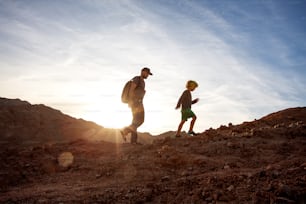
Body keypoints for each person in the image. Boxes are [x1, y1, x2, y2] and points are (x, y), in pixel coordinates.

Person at [120, 67, 153, 144]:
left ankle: (131, 138)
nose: (148, 75)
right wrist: (130, 101)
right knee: (138, 120)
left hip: (139, 102)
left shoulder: (143, 82)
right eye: (147, 73)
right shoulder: (137, 79)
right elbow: (131, 89)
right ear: (143, 72)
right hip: (135, 103)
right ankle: (128, 135)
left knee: (138, 121)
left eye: (148, 74)